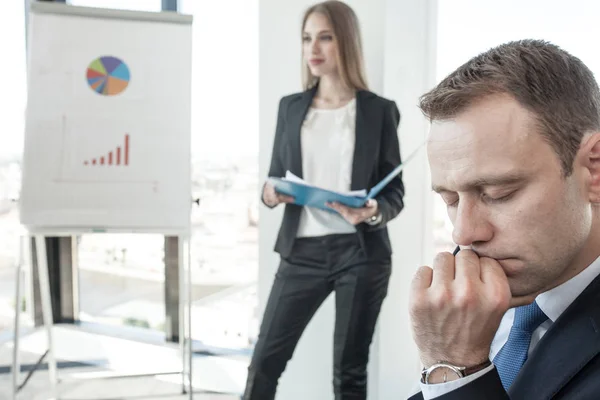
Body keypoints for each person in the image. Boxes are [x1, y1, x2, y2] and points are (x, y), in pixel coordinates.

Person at [408, 39, 600, 400]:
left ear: (594, 170)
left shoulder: (457, 337)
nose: (463, 232)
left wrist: (455, 367)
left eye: (498, 193)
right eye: (450, 199)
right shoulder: (469, 308)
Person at [242, 1, 405, 399]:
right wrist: (268, 193)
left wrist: (371, 211)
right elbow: (275, 177)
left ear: (345, 42)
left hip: (361, 254)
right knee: (264, 362)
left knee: (349, 373)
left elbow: (394, 194)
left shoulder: (379, 112)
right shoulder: (291, 108)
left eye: (325, 37)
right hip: (302, 253)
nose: (313, 48)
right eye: (307, 38)